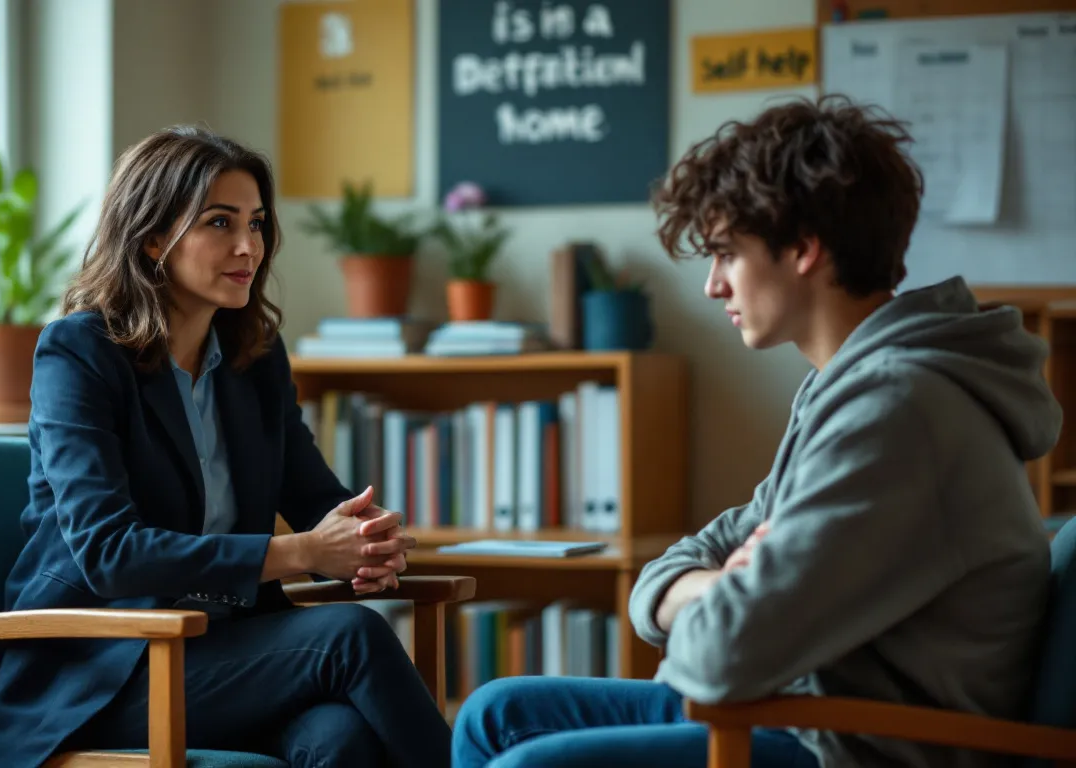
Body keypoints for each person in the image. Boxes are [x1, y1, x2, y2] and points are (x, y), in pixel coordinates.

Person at [453, 95, 1061, 767]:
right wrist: (715, 587)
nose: (713, 286)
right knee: (494, 715)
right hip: (801, 710)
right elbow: (679, 568)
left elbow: (719, 658)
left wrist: (724, 596)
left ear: (804, 249)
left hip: (855, 745)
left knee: (524, 764)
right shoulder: (846, 389)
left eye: (726, 255)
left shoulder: (898, 410)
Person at [0, 125, 453, 768]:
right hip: (105, 672)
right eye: (219, 223)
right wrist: (305, 551)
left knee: (343, 741)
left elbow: (314, 496)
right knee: (351, 637)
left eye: (256, 224)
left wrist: (364, 541)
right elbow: (108, 554)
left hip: (231, 654)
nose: (246, 246)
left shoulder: (254, 358)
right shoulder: (81, 353)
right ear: (150, 237)